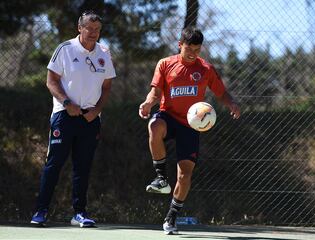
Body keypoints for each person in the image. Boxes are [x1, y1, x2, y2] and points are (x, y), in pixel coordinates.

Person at [138, 27, 240, 235]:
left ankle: (171, 217)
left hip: (191, 125)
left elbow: (221, 92)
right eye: (188, 48)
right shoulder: (166, 64)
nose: (193, 53)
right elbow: (155, 91)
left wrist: (231, 104)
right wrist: (148, 103)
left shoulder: (205, 69)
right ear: (179, 45)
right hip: (168, 115)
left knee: (185, 175)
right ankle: (161, 178)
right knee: (154, 126)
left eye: (197, 49)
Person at [30, 10, 116, 227]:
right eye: (89, 28)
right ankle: (40, 212)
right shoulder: (65, 49)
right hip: (64, 116)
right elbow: (51, 81)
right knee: (54, 164)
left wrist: (97, 110)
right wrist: (67, 104)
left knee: (83, 167)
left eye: (97, 30)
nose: (94, 33)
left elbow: (107, 86)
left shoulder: (104, 52)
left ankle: (79, 213)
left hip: (90, 119)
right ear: (80, 28)